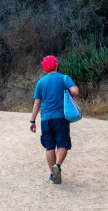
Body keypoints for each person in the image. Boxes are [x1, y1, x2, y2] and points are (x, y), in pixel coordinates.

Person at [30, 55, 79, 184]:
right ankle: (57, 165)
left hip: (46, 119)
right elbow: (75, 90)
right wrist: (66, 94)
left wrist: (32, 121)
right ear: (56, 65)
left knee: (49, 147)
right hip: (61, 118)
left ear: (45, 69)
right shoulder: (64, 78)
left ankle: (53, 174)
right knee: (63, 144)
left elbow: (36, 104)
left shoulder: (41, 82)